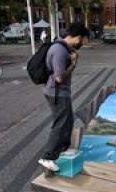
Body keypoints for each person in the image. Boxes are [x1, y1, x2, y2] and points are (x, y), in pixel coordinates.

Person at [38, 23, 89, 172]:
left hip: (60, 92)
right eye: (83, 40)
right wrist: (73, 64)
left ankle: (63, 148)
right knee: (60, 123)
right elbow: (59, 77)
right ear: (78, 37)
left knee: (68, 120)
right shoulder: (60, 51)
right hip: (56, 92)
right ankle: (47, 157)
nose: (82, 44)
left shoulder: (63, 48)